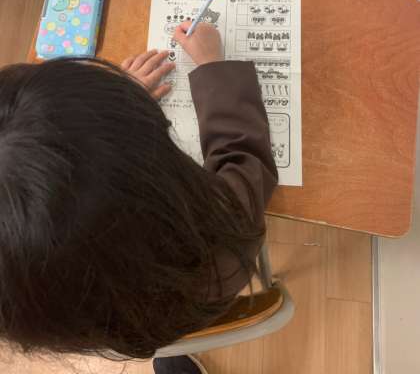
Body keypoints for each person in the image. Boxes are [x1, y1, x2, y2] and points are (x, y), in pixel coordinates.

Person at [0, 21, 277, 374]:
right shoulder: (211, 254)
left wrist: (115, 106)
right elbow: (244, 159)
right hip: (186, 313)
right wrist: (213, 68)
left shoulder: (36, 303)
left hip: (127, 336)